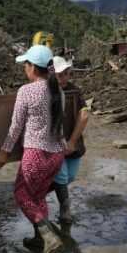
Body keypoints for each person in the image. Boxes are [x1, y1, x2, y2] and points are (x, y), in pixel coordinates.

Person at [0, 45, 66, 253]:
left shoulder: (26, 91)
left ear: (33, 67)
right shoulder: (58, 91)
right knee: (38, 195)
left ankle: (47, 234)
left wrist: (4, 153)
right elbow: (60, 125)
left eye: (26, 64)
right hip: (56, 154)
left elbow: (16, 126)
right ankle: (39, 239)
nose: (24, 68)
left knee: (22, 194)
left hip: (37, 154)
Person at [51, 56, 89, 226]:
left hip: (73, 142)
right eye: (60, 74)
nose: (64, 78)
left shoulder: (75, 90)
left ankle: (42, 192)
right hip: (54, 144)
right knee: (62, 175)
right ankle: (65, 210)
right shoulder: (46, 91)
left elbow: (84, 115)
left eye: (66, 73)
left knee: (69, 177)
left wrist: (72, 141)